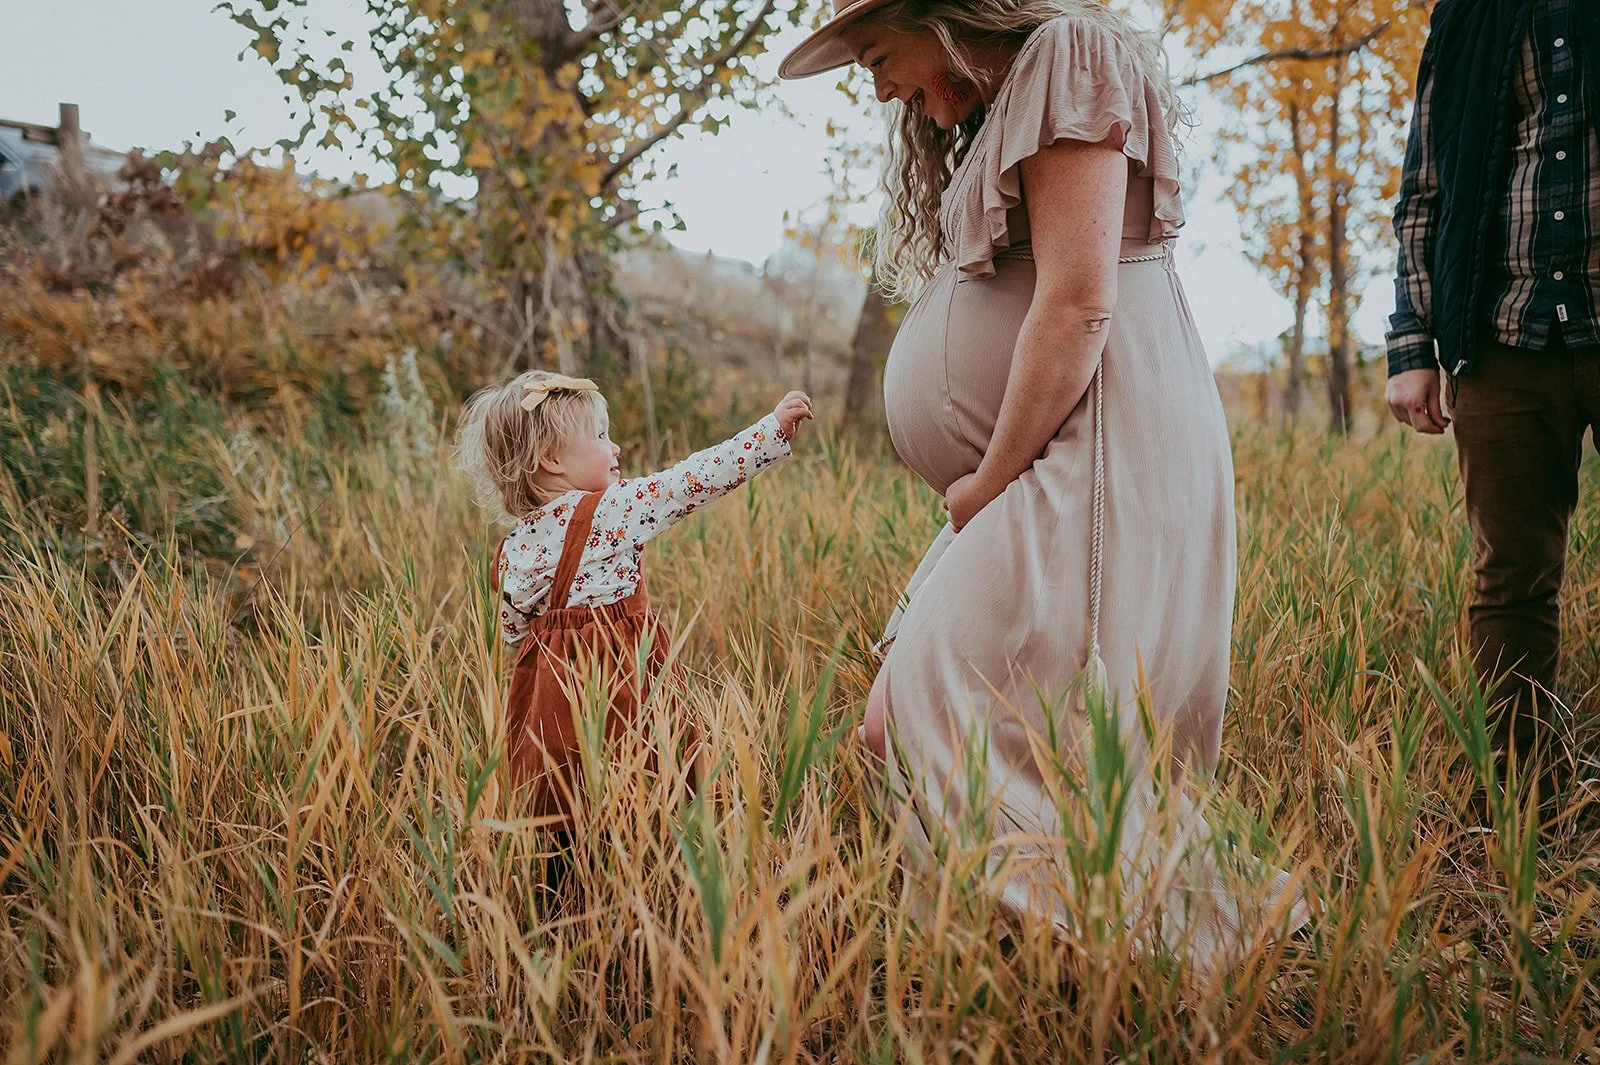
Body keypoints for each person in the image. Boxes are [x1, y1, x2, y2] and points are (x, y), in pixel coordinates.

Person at [779, 0, 1298, 962]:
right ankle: (1029, 956)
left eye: (875, 55)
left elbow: (1077, 303)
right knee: (910, 722)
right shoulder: (1002, 103)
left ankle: (1114, 957)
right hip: (1048, 452)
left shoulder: (1070, 54)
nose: (879, 84)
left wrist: (986, 484)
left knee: (932, 717)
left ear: (936, 15)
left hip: (1095, 446)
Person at [1385, 0, 1598, 797]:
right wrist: (1413, 341)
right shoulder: (1467, 14)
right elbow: (1425, 183)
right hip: (1503, 333)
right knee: (1509, 581)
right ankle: (1517, 806)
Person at [455, 371, 812, 820]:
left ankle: (566, 867)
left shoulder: (511, 550)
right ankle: (662, 848)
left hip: (553, 691)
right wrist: (769, 432)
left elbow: (514, 634)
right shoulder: (610, 510)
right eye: (601, 436)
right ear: (552, 459)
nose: (615, 447)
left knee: (564, 785)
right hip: (624, 673)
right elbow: (689, 482)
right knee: (650, 770)